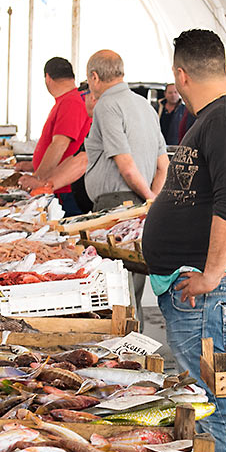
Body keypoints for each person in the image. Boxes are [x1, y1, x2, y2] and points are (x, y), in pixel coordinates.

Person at [142, 29, 226, 452]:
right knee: (205, 393)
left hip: (212, 290)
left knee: (214, 397)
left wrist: (211, 275)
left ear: (181, 75)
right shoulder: (214, 118)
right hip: (200, 287)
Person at [85, 49, 169, 319]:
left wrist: (149, 198)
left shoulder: (107, 106)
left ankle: (125, 356)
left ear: (95, 77)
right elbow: (163, 165)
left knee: (116, 295)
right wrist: (151, 199)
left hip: (115, 208)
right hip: (139, 205)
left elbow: (125, 164)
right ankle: (135, 352)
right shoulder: (145, 105)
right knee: (132, 288)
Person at [14, 57, 91, 216]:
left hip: (63, 190)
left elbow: (60, 145)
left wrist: (37, 179)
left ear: (47, 78)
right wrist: (32, 166)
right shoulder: (66, 101)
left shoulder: (71, 102)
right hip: (57, 186)